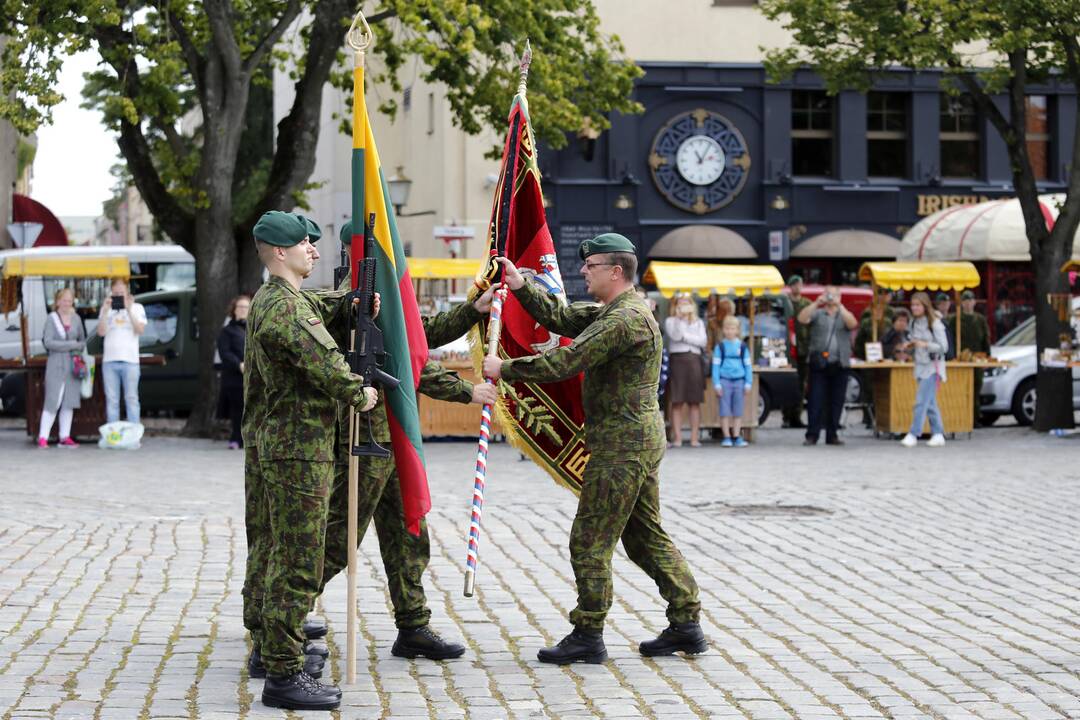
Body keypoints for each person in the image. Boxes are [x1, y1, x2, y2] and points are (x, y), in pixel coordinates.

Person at [483, 233, 705, 666]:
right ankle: (686, 622)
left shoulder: (623, 320)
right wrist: (523, 285)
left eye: (591, 266)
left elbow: (567, 360)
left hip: (623, 446)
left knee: (589, 540)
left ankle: (588, 632)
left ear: (615, 271)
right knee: (643, 538)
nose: (583, 271)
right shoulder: (618, 311)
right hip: (631, 440)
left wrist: (504, 368)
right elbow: (565, 318)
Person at [313, 221, 500, 663]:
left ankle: (413, 624)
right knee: (336, 538)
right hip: (360, 438)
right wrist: (465, 391)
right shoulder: (348, 304)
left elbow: (417, 336)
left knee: (408, 532)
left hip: (393, 435)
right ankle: (280, 617)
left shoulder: (383, 296)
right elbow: (405, 364)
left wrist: (475, 309)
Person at [243, 210, 378, 711]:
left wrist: (352, 304)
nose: (315, 251)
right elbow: (323, 359)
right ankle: (283, 672)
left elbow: (319, 308)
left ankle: (273, 647)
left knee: (277, 549)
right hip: (297, 450)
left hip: (284, 444)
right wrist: (358, 392)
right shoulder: (284, 310)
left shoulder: (278, 298)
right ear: (280, 252)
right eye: (305, 244)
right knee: (298, 559)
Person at [797, 285, 857, 446]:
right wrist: (816, 303)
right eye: (828, 295)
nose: (831, 298)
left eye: (834, 295)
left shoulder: (843, 314)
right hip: (819, 363)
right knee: (815, 399)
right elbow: (802, 319)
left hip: (840, 363)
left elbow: (852, 324)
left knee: (836, 401)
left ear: (840, 296)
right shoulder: (818, 313)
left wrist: (840, 306)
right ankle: (812, 434)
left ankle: (832, 434)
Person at [37, 287, 87, 448]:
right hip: (56, 364)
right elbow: (48, 342)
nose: (67, 303)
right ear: (57, 301)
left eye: (69, 300)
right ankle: (43, 437)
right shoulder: (52, 319)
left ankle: (64, 437)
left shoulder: (76, 318)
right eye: (64, 300)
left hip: (73, 364)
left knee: (69, 401)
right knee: (53, 400)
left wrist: (72, 346)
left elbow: (82, 342)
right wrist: (71, 345)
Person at [900, 291, 948, 448]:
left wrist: (925, 345)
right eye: (913, 305)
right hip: (920, 366)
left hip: (933, 367)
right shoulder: (914, 323)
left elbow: (944, 347)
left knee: (921, 401)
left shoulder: (935, 323)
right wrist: (910, 346)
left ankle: (914, 434)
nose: (914, 308)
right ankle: (938, 433)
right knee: (930, 402)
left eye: (917, 305)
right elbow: (914, 342)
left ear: (925, 305)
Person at [97, 278, 146, 425]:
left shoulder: (138, 308)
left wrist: (129, 309)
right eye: (115, 293)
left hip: (130, 361)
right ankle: (113, 436)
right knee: (112, 400)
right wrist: (105, 312)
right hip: (109, 361)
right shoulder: (106, 308)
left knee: (131, 399)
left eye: (121, 293)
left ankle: (134, 435)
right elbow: (101, 333)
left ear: (127, 292)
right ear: (111, 294)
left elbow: (140, 330)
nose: (118, 296)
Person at [664, 294, 707, 447]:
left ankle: (695, 438)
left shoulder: (698, 322)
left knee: (694, 401)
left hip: (694, 361)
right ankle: (678, 438)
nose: (683, 305)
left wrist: (687, 337)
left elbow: (703, 341)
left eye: (686, 302)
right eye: (680, 303)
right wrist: (680, 320)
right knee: (677, 401)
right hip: (678, 361)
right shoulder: (671, 321)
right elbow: (676, 336)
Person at [946, 289, 991, 424]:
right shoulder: (955, 319)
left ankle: (974, 418)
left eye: (970, 300)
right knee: (961, 389)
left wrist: (987, 358)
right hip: (962, 359)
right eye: (965, 301)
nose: (968, 303)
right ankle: (961, 418)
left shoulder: (980, 319)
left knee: (976, 388)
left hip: (977, 358)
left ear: (974, 302)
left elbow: (986, 340)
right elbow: (951, 339)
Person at [711, 315, 752, 447]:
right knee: (724, 410)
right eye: (727, 328)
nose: (730, 331)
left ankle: (736, 436)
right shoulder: (720, 347)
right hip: (724, 381)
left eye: (732, 328)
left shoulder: (743, 347)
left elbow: (748, 366)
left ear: (737, 330)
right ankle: (726, 436)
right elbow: (715, 367)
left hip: (739, 381)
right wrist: (716, 383)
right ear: (723, 330)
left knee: (738, 411)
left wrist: (748, 382)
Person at [216, 295, 250, 449]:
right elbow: (225, 353)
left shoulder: (253, 328)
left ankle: (248, 439)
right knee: (237, 409)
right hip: (234, 376)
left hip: (252, 376)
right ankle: (236, 438)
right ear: (234, 310)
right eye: (240, 307)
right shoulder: (227, 331)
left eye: (246, 307)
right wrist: (239, 364)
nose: (243, 310)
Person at [782, 275, 810, 428]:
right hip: (787, 349)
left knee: (801, 384)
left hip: (803, 349)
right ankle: (786, 416)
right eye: (794, 285)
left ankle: (796, 416)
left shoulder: (807, 303)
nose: (797, 287)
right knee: (788, 382)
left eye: (799, 284)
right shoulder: (784, 302)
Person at [935, 292, 955, 359]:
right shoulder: (934, 319)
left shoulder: (953, 319)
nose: (945, 305)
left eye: (946, 303)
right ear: (938, 305)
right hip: (938, 354)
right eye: (942, 303)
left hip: (951, 353)